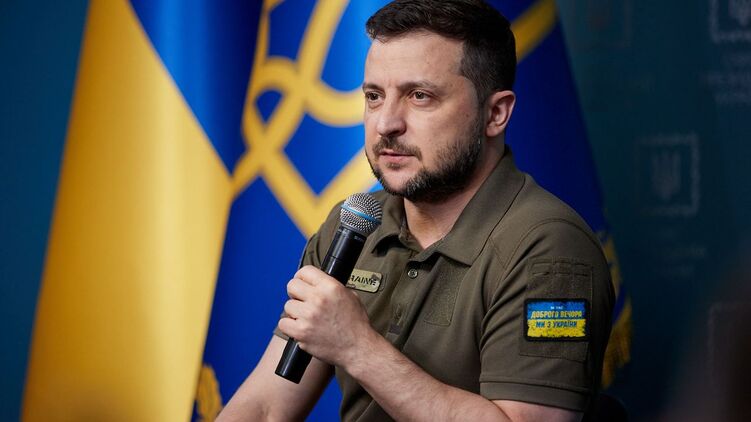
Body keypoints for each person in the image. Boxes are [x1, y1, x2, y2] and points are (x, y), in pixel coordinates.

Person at [218, 1, 614, 421]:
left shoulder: (548, 249)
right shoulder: (354, 224)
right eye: (374, 96)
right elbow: (266, 407)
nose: (386, 123)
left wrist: (357, 346)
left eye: (419, 96)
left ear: (495, 113)